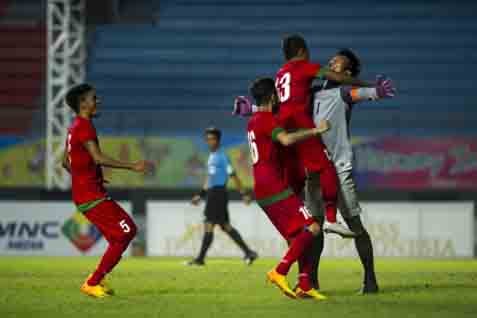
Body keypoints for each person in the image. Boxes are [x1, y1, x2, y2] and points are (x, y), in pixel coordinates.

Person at [305, 49, 395, 294]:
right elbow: (282, 105)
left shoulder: (343, 92)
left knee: (354, 224)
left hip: (337, 167)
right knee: (314, 226)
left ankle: (370, 281)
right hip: (314, 169)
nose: (331, 62)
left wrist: (376, 92)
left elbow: (358, 93)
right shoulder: (311, 93)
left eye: (338, 62)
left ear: (347, 73)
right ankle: (311, 282)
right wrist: (254, 107)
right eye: (332, 60)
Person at [274, 34, 375, 237]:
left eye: (337, 61)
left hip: (284, 128)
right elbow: (337, 78)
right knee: (325, 168)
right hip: (301, 126)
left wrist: (253, 108)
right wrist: (368, 84)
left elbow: (278, 100)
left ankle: (295, 214)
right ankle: (330, 220)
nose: (330, 63)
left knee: (296, 179)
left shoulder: (281, 73)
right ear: (302, 51)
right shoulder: (306, 68)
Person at [62, 84, 151, 298]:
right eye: (94, 98)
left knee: (117, 237)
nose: (98, 101)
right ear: (83, 103)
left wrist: (93, 176)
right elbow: (98, 158)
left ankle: (97, 279)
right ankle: (92, 282)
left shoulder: (74, 127)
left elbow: (65, 162)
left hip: (85, 193)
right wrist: (132, 166)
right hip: (91, 195)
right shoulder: (84, 127)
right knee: (127, 231)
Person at [248, 77, 330, 300]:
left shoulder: (253, 120)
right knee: (313, 227)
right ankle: (279, 271)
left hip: (262, 187)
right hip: (275, 185)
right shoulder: (266, 120)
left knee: (297, 238)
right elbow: (285, 140)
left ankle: (304, 284)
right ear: (273, 96)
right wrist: (315, 131)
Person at [187, 127, 258, 266]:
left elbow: (233, 175)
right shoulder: (211, 157)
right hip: (213, 193)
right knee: (225, 226)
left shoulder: (222, 156)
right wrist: (200, 195)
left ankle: (200, 259)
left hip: (218, 194)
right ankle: (249, 252)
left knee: (209, 224)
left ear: (218, 140)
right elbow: (209, 179)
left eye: (212, 139)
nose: (210, 142)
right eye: (207, 139)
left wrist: (243, 193)